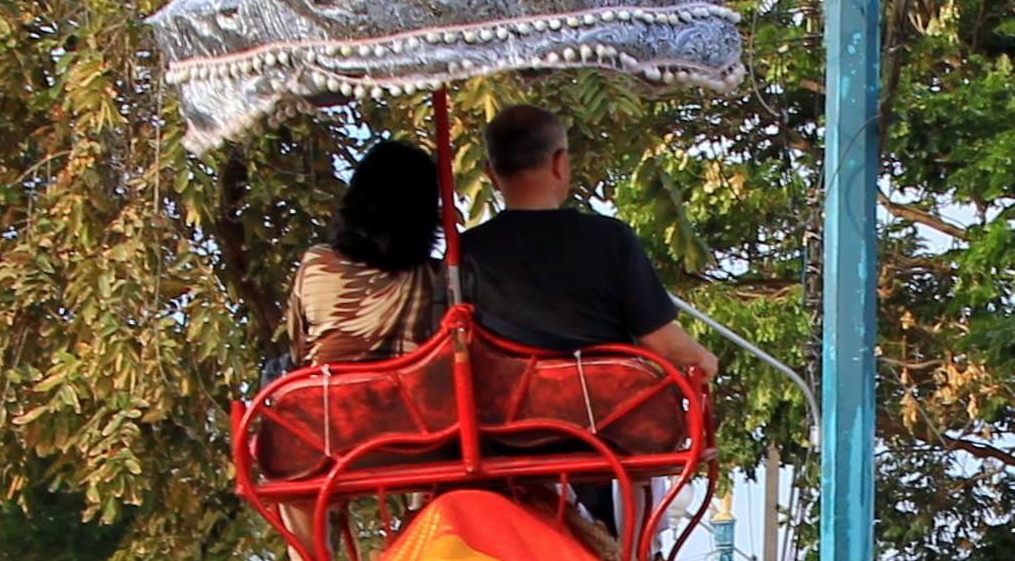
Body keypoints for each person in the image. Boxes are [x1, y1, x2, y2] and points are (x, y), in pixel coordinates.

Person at [456, 105, 716, 381]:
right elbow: (662, 343)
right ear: (560, 163)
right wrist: (702, 358)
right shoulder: (611, 239)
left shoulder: (465, 252)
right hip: (605, 414)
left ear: (490, 174)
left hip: (509, 417)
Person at [286, 138, 450, 366]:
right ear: (426, 215)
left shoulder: (317, 263)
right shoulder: (440, 279)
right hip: (411, 398)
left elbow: (298, 351)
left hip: (328, 398)